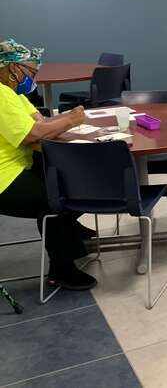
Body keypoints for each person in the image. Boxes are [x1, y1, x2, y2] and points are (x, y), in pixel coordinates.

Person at [0, 38, 97, 290]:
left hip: (19, 164)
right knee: (54, 198)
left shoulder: (12, 93)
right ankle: (61, 270)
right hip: (4, 177)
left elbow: (39, 121)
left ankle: (70, 231)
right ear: (13, 69)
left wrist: (61, 121)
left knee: (69, 179)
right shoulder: (1, 95)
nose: (33, 78)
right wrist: (71, 121)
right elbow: (32, 135)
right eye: (31, 72)